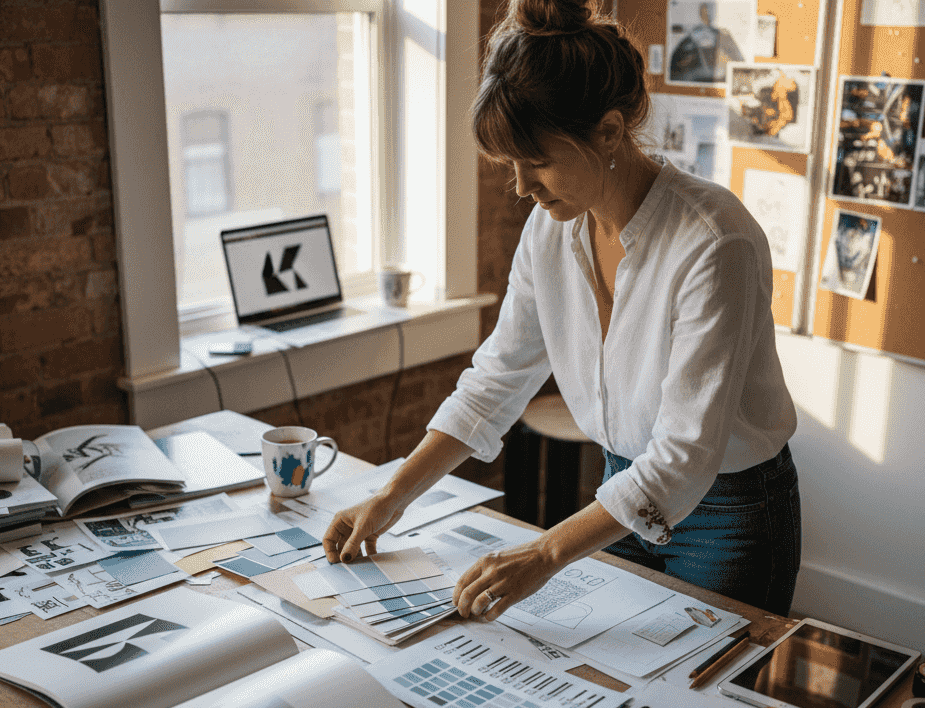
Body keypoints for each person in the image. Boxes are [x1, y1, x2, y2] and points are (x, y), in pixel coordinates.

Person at [322, 0, 801, 620]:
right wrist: (389, 497)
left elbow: (683, 457)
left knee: (705, 702)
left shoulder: (714, 243)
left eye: (538, 161)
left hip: (729, 514)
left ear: (607, 131)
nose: (521, 187)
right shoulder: (551, 231)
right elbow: (495, 382)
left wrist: (545, 554)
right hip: (617, 493)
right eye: (511, 166)